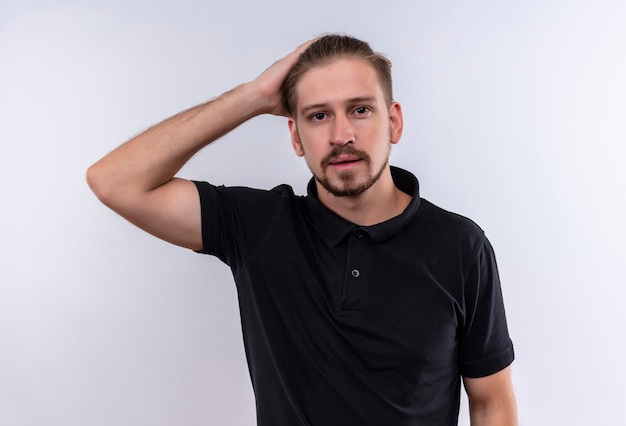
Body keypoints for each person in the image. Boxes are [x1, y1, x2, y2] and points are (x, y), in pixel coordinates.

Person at [87, 34, 517, 425]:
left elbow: (491, 402)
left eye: (360, 109)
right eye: (317, 116)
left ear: (394, 122)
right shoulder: (258, 227)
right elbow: (114, 181)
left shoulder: (461, 246)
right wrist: (252, 96)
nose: (340, 134)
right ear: (295, 137)